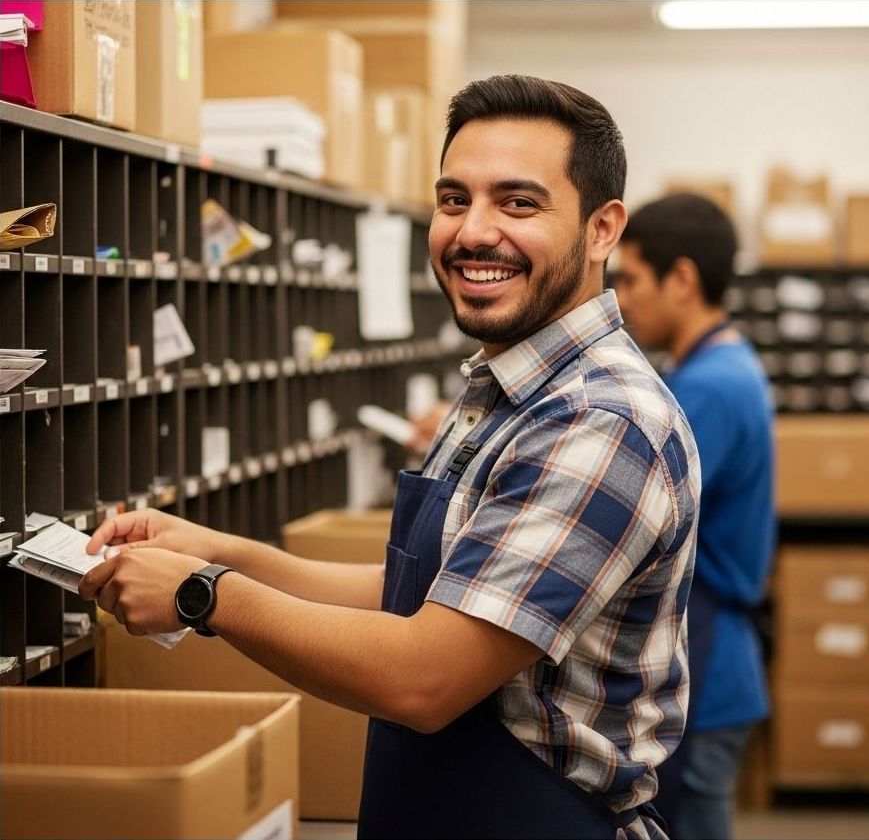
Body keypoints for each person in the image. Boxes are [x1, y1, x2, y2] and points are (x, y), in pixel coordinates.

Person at [80, 75, 700, 840]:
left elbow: (424, 674)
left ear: (602, 229)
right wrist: (217, 548)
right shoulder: (505, 387)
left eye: (518, 202)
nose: (473, 231)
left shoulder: (600, 420)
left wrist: (205, 593)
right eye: (452, 199)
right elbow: (423, 592)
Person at [613, 193, 775, 840]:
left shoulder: (710, 387)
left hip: (707, 665)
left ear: (681, 279)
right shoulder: (713, 365)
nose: (620, 299)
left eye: (628, 278)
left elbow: (635, 512)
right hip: (708, 650)